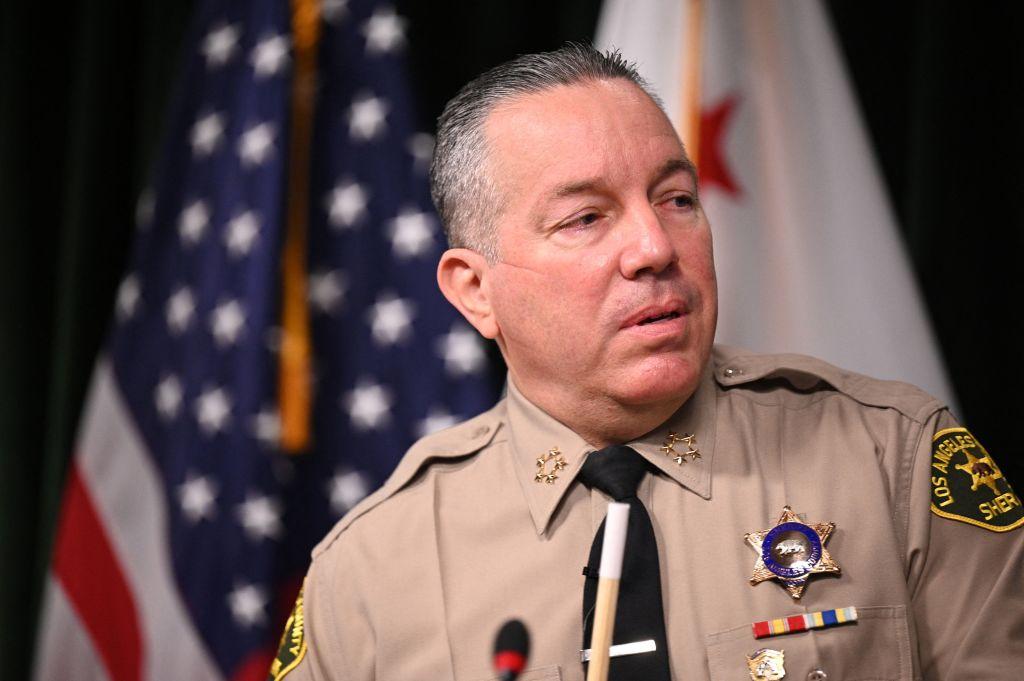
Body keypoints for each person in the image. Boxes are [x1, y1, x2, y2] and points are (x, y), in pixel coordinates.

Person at [269, 44, 1023, 681]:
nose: (655, 248)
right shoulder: (365, 574)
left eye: (676, 199)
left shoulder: (894, 460)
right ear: (475, 290)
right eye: (586, 218)